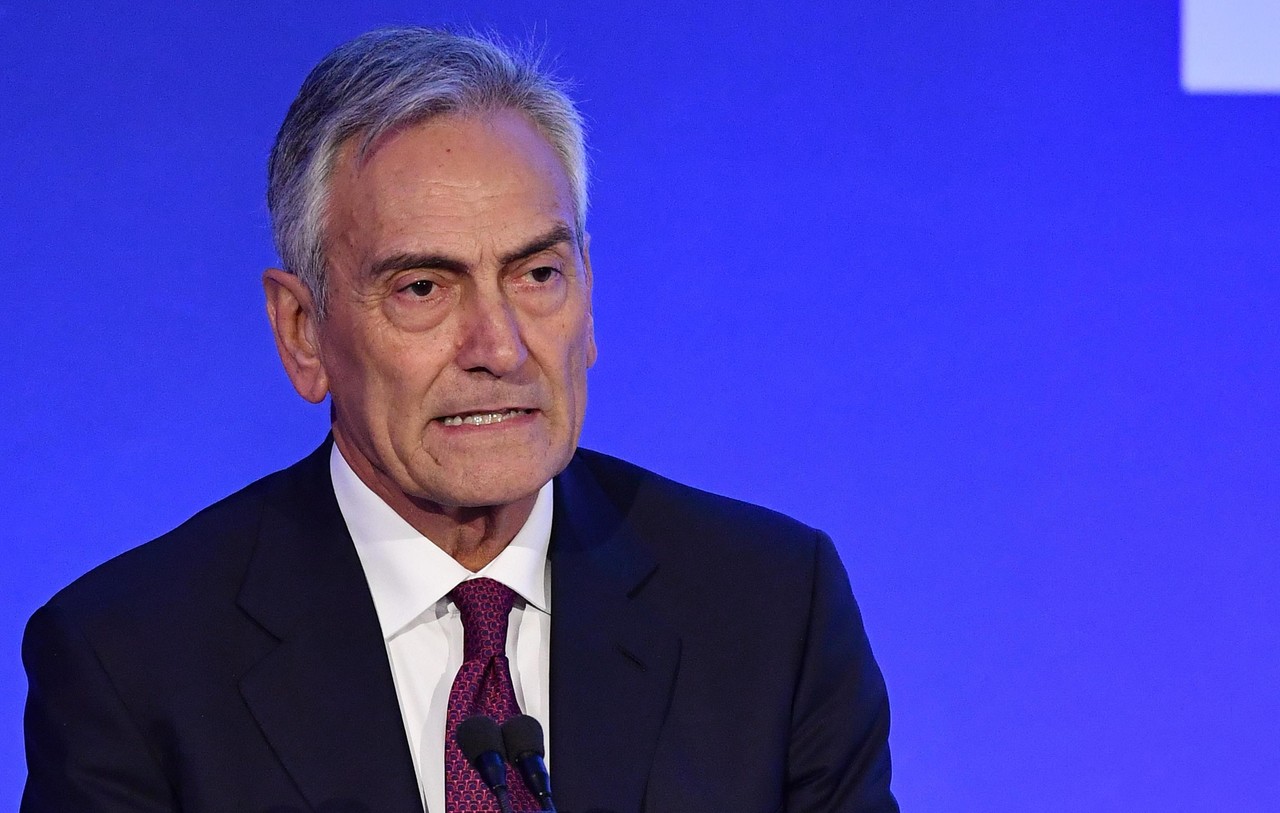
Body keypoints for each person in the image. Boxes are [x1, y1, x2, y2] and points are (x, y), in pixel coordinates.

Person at [21, 27, 899, 813]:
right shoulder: (130, 663)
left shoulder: (770, 610)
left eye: (537, 274)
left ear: (588, 297)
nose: (500, 347)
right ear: (302, 332)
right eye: (422, 287)